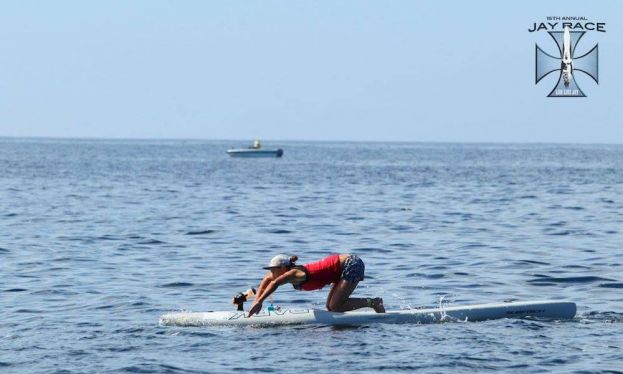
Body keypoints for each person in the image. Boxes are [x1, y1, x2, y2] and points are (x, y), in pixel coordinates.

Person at [247, 253, 385, 317]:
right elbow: (266, 280)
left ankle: (373, 302)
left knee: (335, 306)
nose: (271, 272)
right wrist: (256, 302)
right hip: (339, 269)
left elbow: (275, 283)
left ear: (283, 268)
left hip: (351, 264)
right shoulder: (281, 272)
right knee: (331, 307)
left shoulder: (293, 273)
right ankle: (372, 304)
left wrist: (260, 301)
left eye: (273, 269)